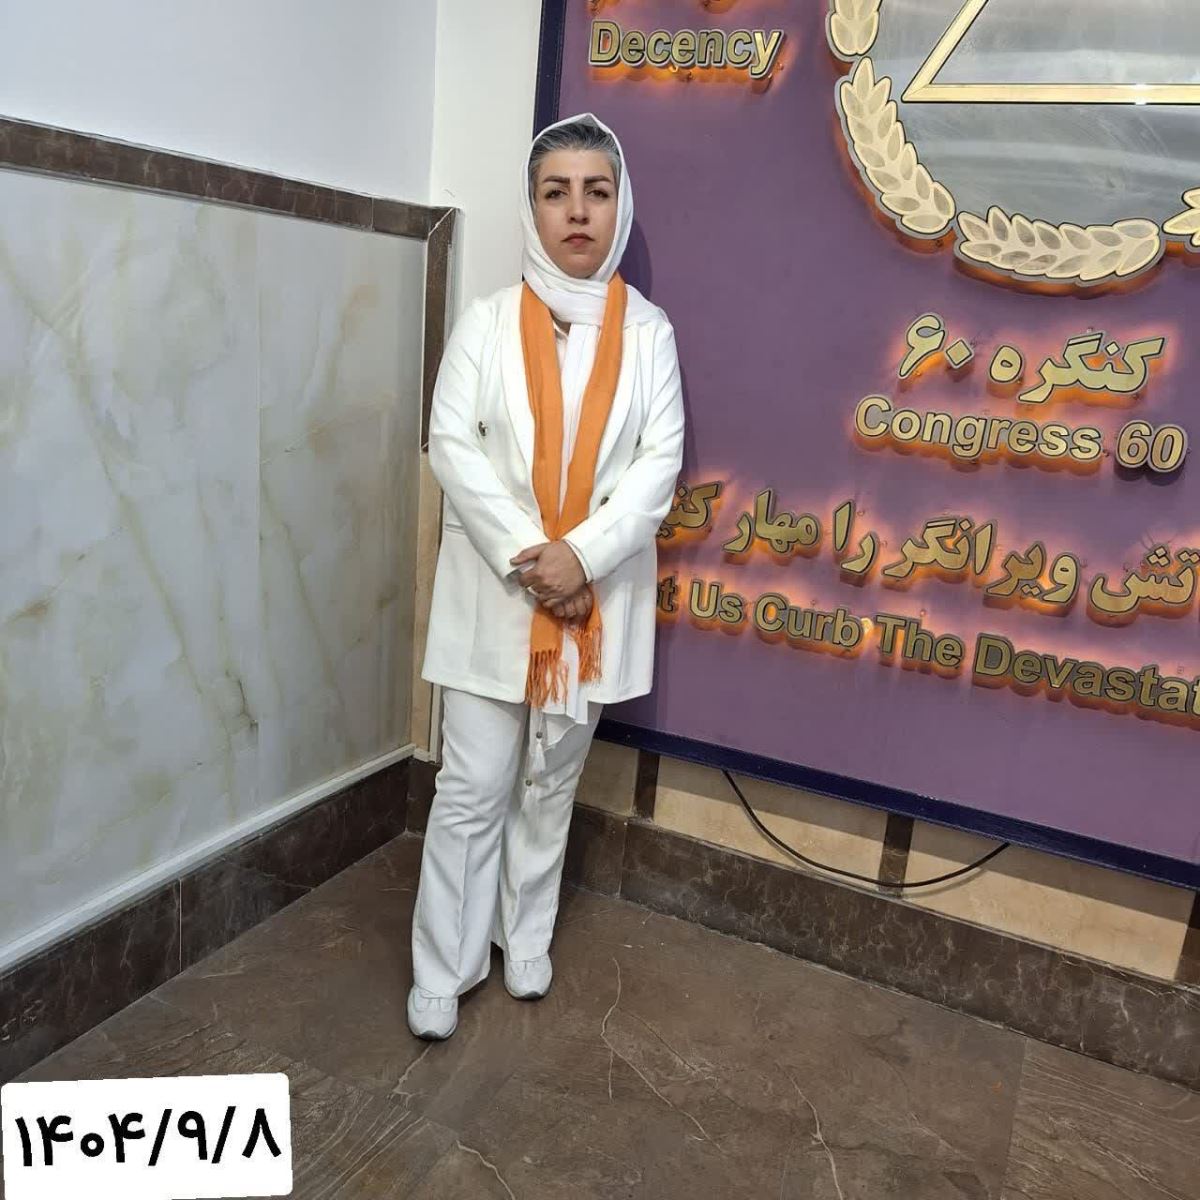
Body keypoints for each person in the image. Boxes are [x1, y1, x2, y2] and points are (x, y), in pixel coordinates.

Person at [407, 112, 685, 1040]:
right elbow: (451, 443)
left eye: (596, 193)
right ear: (532, 209)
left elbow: (657, 466)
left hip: (591, 602)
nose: (577, 212)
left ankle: (522, 935)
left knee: (550, 780)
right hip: (502, 591)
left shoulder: (651, 335)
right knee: (472, 784)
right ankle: (443, 967)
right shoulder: (486, 323)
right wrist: (540, 559)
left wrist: (585, 559)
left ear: (619, 207)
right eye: (556, 192)